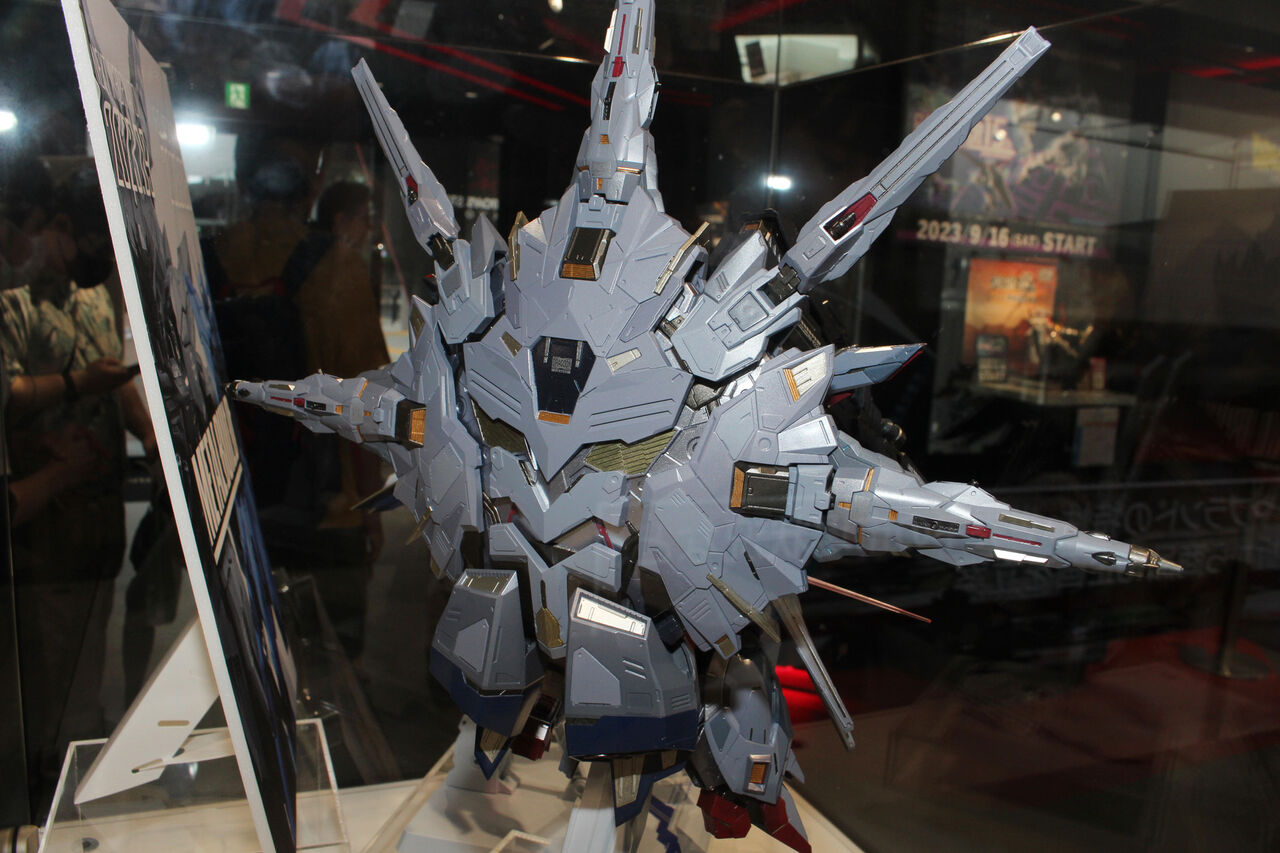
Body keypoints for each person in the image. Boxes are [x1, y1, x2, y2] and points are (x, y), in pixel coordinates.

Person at [0, 163, 155, 813]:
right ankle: (38, 787)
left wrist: (152, 440)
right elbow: (9, 392)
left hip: (96, 515)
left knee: (87, 658)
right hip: (41, 523)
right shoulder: (13, 297)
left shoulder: (93, 295)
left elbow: (114, 376)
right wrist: (74, 387)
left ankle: (74, 771)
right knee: (42, 669)